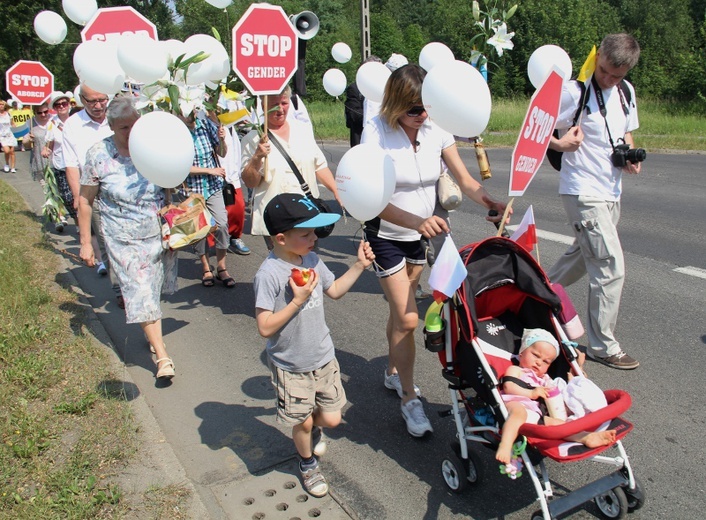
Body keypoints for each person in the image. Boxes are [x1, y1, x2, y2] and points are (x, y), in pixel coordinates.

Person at [361, 63, 510, 438]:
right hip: (387, 232)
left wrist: (488, 201)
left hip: (422, 233)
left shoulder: (435, 126)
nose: (421, 116)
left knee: (403, 309)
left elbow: (463, 177)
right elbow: (371, 198)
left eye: (425, 107)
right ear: (396, 104)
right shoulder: (376, 131)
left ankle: (393, 371)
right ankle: (410, 399)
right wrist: (414, 222)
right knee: (409, 318)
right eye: (413, 110)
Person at [253, 193, 375, 497]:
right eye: (306, 233)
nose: (315, 238)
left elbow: (334, 290)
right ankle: (307, 463)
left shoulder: (312, 259)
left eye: (315, 232)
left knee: (332, 418)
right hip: (290, 366)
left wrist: (359, 265)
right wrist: (297, 300)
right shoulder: (268, 274)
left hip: (323, 356)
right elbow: (264, 327)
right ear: (280, 238)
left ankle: (308, 427)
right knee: (303, 424)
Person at [547, 33, 642, 370]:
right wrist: (560, 144)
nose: (608, 79)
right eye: (604, 71)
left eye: (617, 76)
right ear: (598, 56)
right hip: (582, 191)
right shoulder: (575, 92)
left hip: (610, 192)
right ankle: (603, 345)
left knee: (582, 255)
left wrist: (630, 155)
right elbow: (535, 127)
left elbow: (626, 131)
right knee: (608, 265)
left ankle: (537, 293)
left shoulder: (626, 92)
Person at [78, 96, 178, 380]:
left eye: (136, 125)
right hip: (122, 237)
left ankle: (151, 331)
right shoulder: (98, 154)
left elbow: (169, 184)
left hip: (157, 232)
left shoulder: (151, 147)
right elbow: (85, 201)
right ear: (111, 127)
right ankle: (162, 355)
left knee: (152, 290)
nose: (132, 132)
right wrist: (86, 242)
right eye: (124, 128)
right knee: (140, 289)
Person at [496, 328, 617, 464]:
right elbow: (509, 386)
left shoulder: (544, 379)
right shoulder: (516, 370)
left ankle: (586, 437)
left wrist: (578, 369)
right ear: (522, 352)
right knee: (519, 413)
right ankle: (505, 445)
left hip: (538, 414)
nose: (539, 362)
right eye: (535, 355)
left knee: (561, 426)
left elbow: (563, 390)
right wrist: (531, 393)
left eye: (546, 362)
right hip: (515, 403)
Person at [241, 85, 340, 249]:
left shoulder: (302, 130)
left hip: (307, 214)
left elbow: (319, 165)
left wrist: (336, 191)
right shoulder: (253, 138)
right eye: (274, 104)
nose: (280, 109)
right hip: (278, 219)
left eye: (284, 103)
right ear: (263, 105)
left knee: (309, 265)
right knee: (283, 269)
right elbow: (250, 182)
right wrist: (257, 157)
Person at [63, 83, 113, 280]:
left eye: (102, 100)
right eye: (92, 101)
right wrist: (78, 197)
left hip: (121, 189)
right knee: (105, 241)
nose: (98, 106)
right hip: (93, 191)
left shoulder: (118, 117)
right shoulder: (73, 125)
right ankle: (119, 289)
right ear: (82, 100)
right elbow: (72, 166)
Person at [178, 110, 233, 287]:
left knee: (222, 224)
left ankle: (222, 267)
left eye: (191, 111)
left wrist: (222, 139)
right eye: (183, 112)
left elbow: (222, 153)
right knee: (199, 230)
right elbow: (178, 165)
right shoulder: (177, 131)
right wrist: (209, 170)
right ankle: (205, 268)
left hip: (213, 186)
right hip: (192, 189)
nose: (188, 115)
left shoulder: (206, 125)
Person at [42, 91, 75, 232]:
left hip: (77, 164)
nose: (62, 106)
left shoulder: (76, 120)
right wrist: (46, 150)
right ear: (54, 108)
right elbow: (48, 144)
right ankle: (76, 219)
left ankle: (83, 224)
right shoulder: (52, 124)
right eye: (58, 105)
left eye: (64, 103)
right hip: (60, 165)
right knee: (67, 197)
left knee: (79, 195)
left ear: (69, 105)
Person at [28, 101, 53, 182]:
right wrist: (28, 140)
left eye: (45, 112)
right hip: (40, 162)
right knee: (46, 191)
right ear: (34, 112)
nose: (43, 114)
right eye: (39, 112)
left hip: (55, 161)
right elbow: (25, 144)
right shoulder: (30, 123)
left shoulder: (54, 120)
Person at [0, 100, 17, 173]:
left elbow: (12, 123)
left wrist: (16, 128)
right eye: (0, 105)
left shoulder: (8, 114)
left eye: (2, 105)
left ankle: (13, 167)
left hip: (10, 134)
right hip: (2, 135)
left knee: (12, 151)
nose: (1, 106)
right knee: (7, 151)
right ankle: (7, 164)